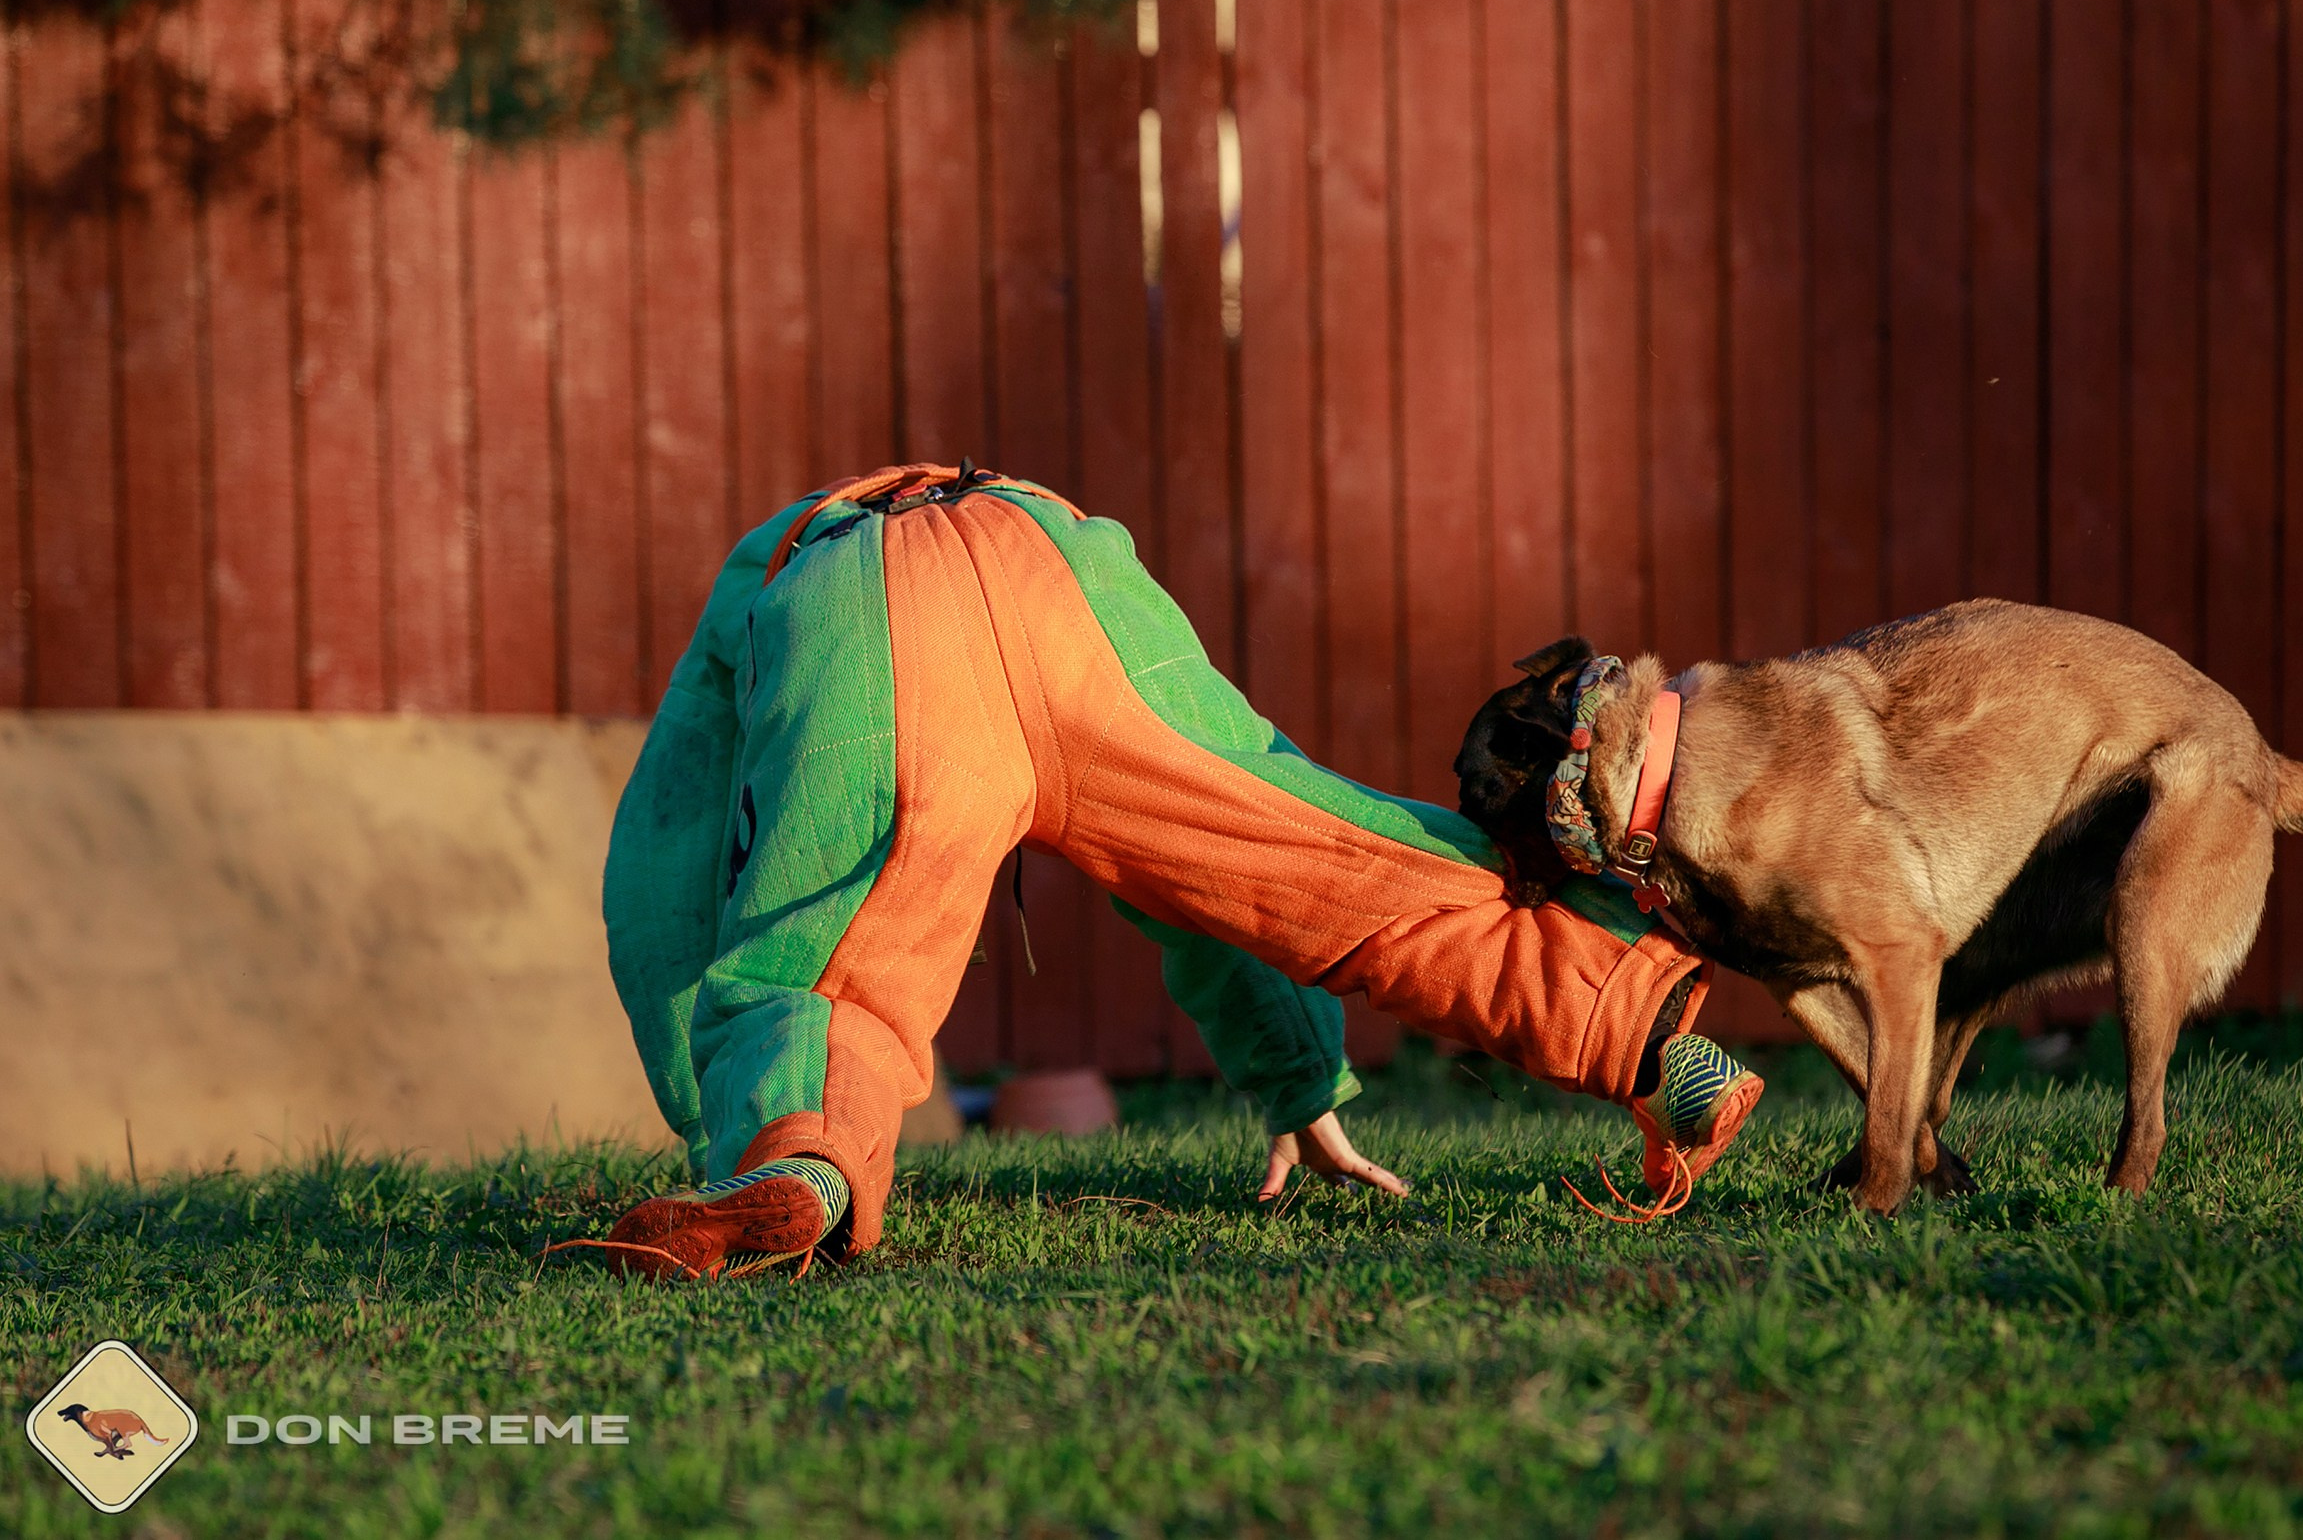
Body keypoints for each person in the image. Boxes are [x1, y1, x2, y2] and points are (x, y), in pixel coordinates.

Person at [585, 463, 1760, 1278]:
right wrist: (1295, 1079)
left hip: (851, 602)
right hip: (1054, 562)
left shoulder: (759, 570)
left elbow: (663, 872)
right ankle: (1654, 1046)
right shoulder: (1050, 531)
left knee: (832, 951)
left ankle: (797, 1166)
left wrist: (715, 1126)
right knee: (1302, 842)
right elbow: (1214, 890)